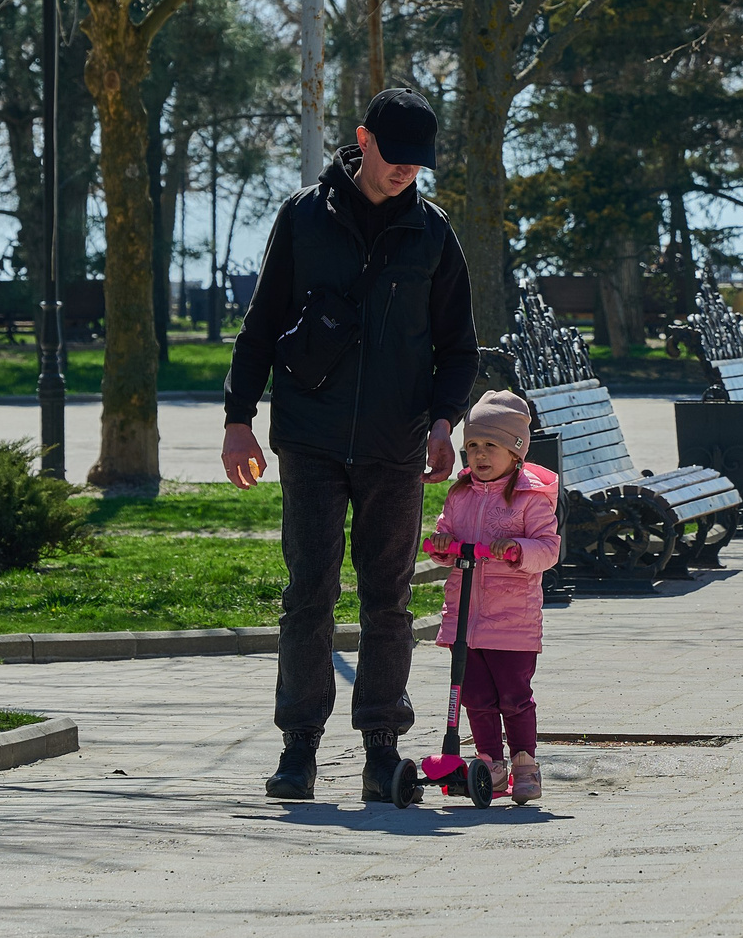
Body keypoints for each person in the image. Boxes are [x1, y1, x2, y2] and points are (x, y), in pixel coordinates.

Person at [223, 88, 478, 802]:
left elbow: (459, 346)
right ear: (362, 139)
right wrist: (237, 417)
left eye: (418, 163)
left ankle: (381, 745)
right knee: (308, 592)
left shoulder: (434, 233)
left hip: (397, 444)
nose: (406, 172)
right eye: (395, 157)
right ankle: (298, 748)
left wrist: (443, 421)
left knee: (387, 599)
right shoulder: (304, 216)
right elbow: (261, 323)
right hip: (310, 437)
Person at [422, 390, 560, 805]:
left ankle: (524, 762)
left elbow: (548, 549)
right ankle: (489, 763)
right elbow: (447, 532)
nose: (479, 456)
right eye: (472, 447)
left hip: (512, 621)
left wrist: (518, 550)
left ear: (516, 452)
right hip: (465, 619)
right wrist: (443, 543)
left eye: (491, 446)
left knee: (514, 697)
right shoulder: (460, 493)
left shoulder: (530, 498)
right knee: (475, 698)